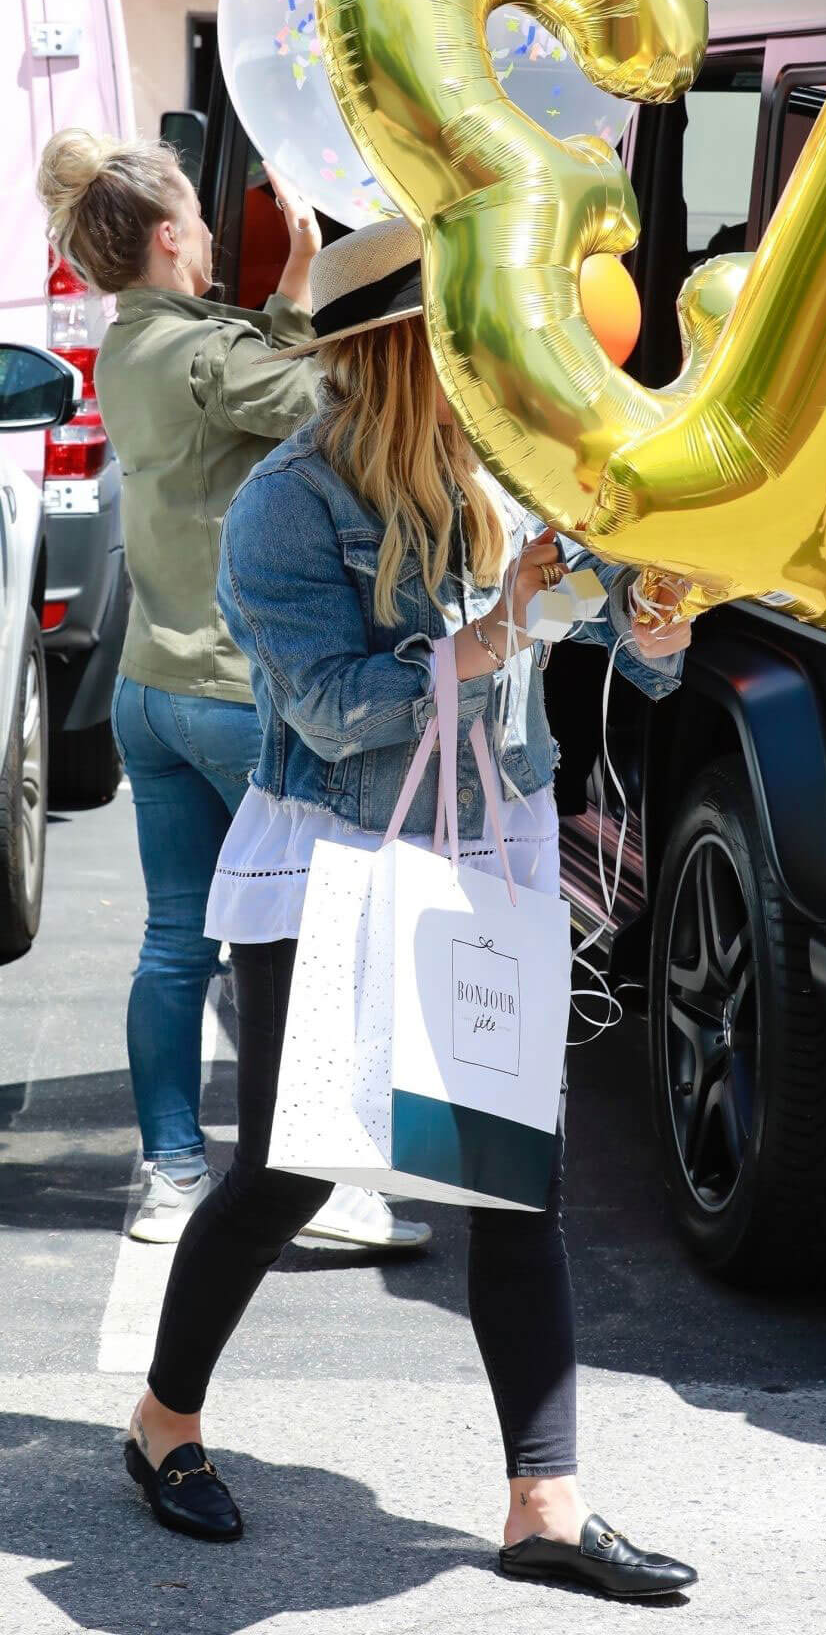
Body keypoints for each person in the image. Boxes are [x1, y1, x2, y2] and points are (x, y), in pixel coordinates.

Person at [123, 219, 701, 1601]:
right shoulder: (289, 501)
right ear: (404, 356)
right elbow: (327, 715)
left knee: (519, 1186)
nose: (506, 364)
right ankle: (163, 1424)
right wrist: (488, 636)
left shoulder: (522, 468)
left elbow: (635, 641)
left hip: (489, 843)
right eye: (472, 343)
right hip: (336, 852)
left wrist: (661, 625)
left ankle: (542, 1508)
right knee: (285, 1171)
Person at [36, 132, 430, 1259]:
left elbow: (245, 369)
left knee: (176, 945)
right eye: (202, 224)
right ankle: (322, 1183)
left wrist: (294, 286)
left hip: (151, 688)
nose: (216, 236)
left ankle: (171, 1175)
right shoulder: (205, 354)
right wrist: (333, 292)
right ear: (169, 236)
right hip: (236, 691)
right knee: (308, 943)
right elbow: (321, 391)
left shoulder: (131, 344)